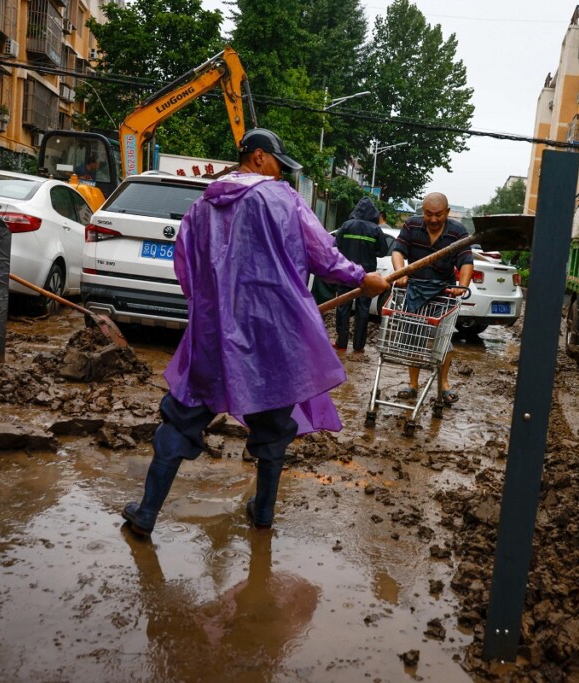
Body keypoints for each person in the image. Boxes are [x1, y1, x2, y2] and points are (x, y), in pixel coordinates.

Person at [122, 128, 388, 536]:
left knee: (182, 418)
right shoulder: (282, 199)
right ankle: (262, 514)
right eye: (279, 165)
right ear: (260, 157)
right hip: (274, 334)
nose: (281, 174)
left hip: (213, 335)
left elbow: (185, 270)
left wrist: (212, 312)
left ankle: (146, 514)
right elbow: (323, 256)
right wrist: (362, 278)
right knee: (274, 422)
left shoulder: (200, 206)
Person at [391, 192, 473, 406]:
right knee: (413, 336)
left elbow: (466, 261)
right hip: (415, 291)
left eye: (438, 215)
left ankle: (444, 384)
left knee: (443, 340)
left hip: (443, 295)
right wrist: (401, 273)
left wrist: (462, 287)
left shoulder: (458, 232)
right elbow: (398, 252)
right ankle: (413, 384)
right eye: (429, 214)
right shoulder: (411, 226)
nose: (434, 219)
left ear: (447, 212)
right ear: (423, 212)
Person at [333, 197, 387, 353]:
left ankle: (341, 343)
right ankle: (359, 346)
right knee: (363, 310)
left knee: (343, 307)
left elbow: (336, 246)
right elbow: (383, 251)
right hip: (367, 277)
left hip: (346, 273)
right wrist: (371, 250)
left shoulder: (346, 226)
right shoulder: (375, 229)